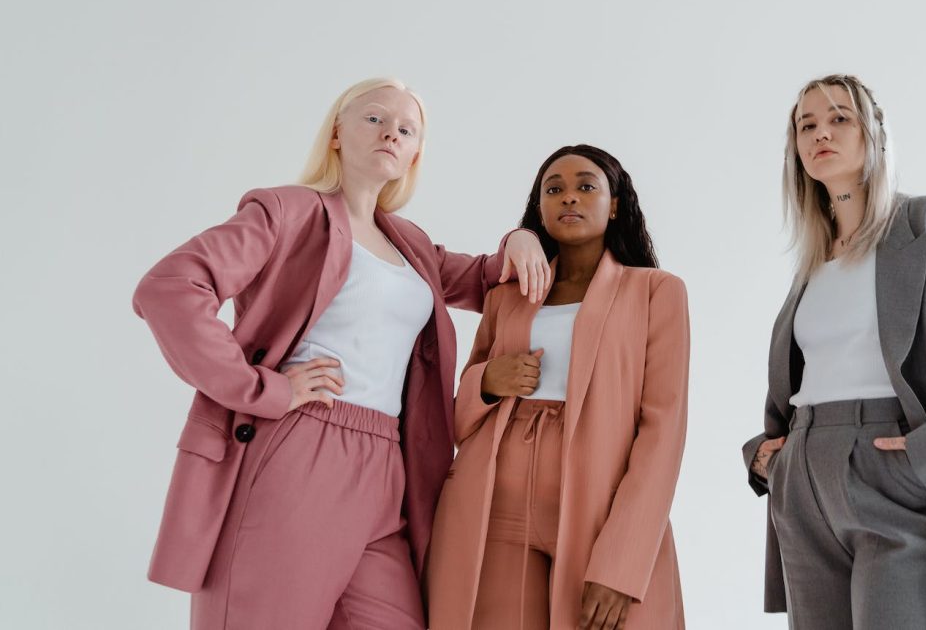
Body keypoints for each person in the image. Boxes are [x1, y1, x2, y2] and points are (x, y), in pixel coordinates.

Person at [132, 77, 550, 629]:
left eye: (406, 129)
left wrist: (520, 238)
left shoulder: (410, 244)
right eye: (374, 118)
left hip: (389, 464)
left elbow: (485, 277)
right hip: (303, 443)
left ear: (414, 155)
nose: (390, 134)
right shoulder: (288, 212)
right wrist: (264, 388)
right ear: (337, 132)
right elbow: (170, 287)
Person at [741, 75, 926, 630]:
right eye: (806, 125)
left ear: (875, 133)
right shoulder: (812, 264)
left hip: (899, 467)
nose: (820, 133)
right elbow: (807, 376)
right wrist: (768, 458)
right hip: (804, 480)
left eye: (839, 118)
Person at [427, 144, 689, 630]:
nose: (569, 198)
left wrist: (623, 565)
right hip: (493, 507)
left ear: (614, 204)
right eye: (555, 189)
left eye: (586, 186)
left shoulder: (656, 291)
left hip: (598, 506)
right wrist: (487, 381)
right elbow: (459, 419)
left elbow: (663, 431)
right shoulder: (507, 296)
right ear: (540, 208)